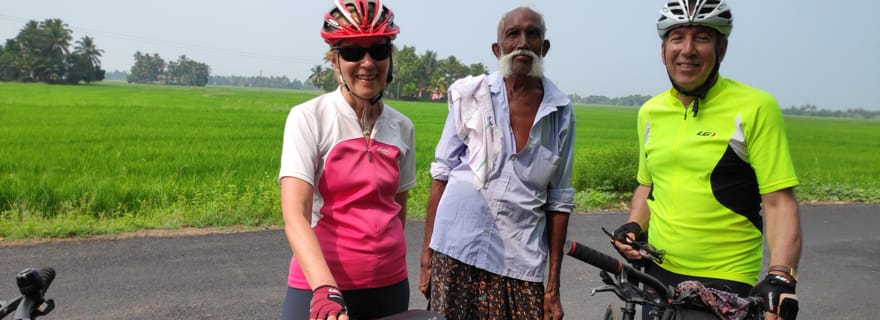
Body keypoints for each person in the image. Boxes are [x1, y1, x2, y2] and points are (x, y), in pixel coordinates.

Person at [611, 1, 801, 319]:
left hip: (723, 281)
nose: (687, 49)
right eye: (677, 37)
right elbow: (648, 184)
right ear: (663, 50)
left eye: (701, 37)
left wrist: (781, 276)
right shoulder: (650, 113)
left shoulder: (754, 107)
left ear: (721, 48)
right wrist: (633, 224)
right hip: (656, 276)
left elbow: (779, 202)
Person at [418, 6, 575, 320]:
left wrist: (553, 284)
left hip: (520, 258)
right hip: (456, 247)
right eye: (512, 34)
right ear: (497, 48)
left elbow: (558, 200)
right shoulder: (471, 96)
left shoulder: (560, 111)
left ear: (544, 47)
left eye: (532, 34)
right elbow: (443, 174)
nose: (522, 42)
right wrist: (427, 256)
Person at [277, 1, 415, 319]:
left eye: (378, 50)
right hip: (320, 285)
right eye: (353, 52)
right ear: (335, 61)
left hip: (389, 285)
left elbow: (397, 210)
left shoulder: (402, 127)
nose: (367, 63)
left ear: (390, 58)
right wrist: (325, 290)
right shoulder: (309, 118)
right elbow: (294, 215)